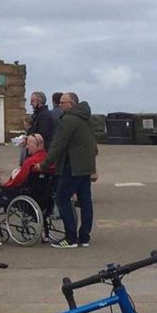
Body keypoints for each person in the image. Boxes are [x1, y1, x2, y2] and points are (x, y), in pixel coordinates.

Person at [36, 92, 97, 248]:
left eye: (63, 103)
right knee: (85, 201)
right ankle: (84, 237)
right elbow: (93, 144)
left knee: (61, 199)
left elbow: (58, 145)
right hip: (85, 166)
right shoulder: (86, 117)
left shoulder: (69, 120)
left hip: (73, 166)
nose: (60, 105)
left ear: (72, 104)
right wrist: (93, 167)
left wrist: (44, 164)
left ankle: (70, 238)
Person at [18, 91, 55, 164]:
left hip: (39, 152)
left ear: (39, 101)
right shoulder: (38, 114)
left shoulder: (44, 115)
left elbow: (42, 135)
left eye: (32, 101)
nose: (31, 103)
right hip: (35, 151)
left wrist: (28, 139)